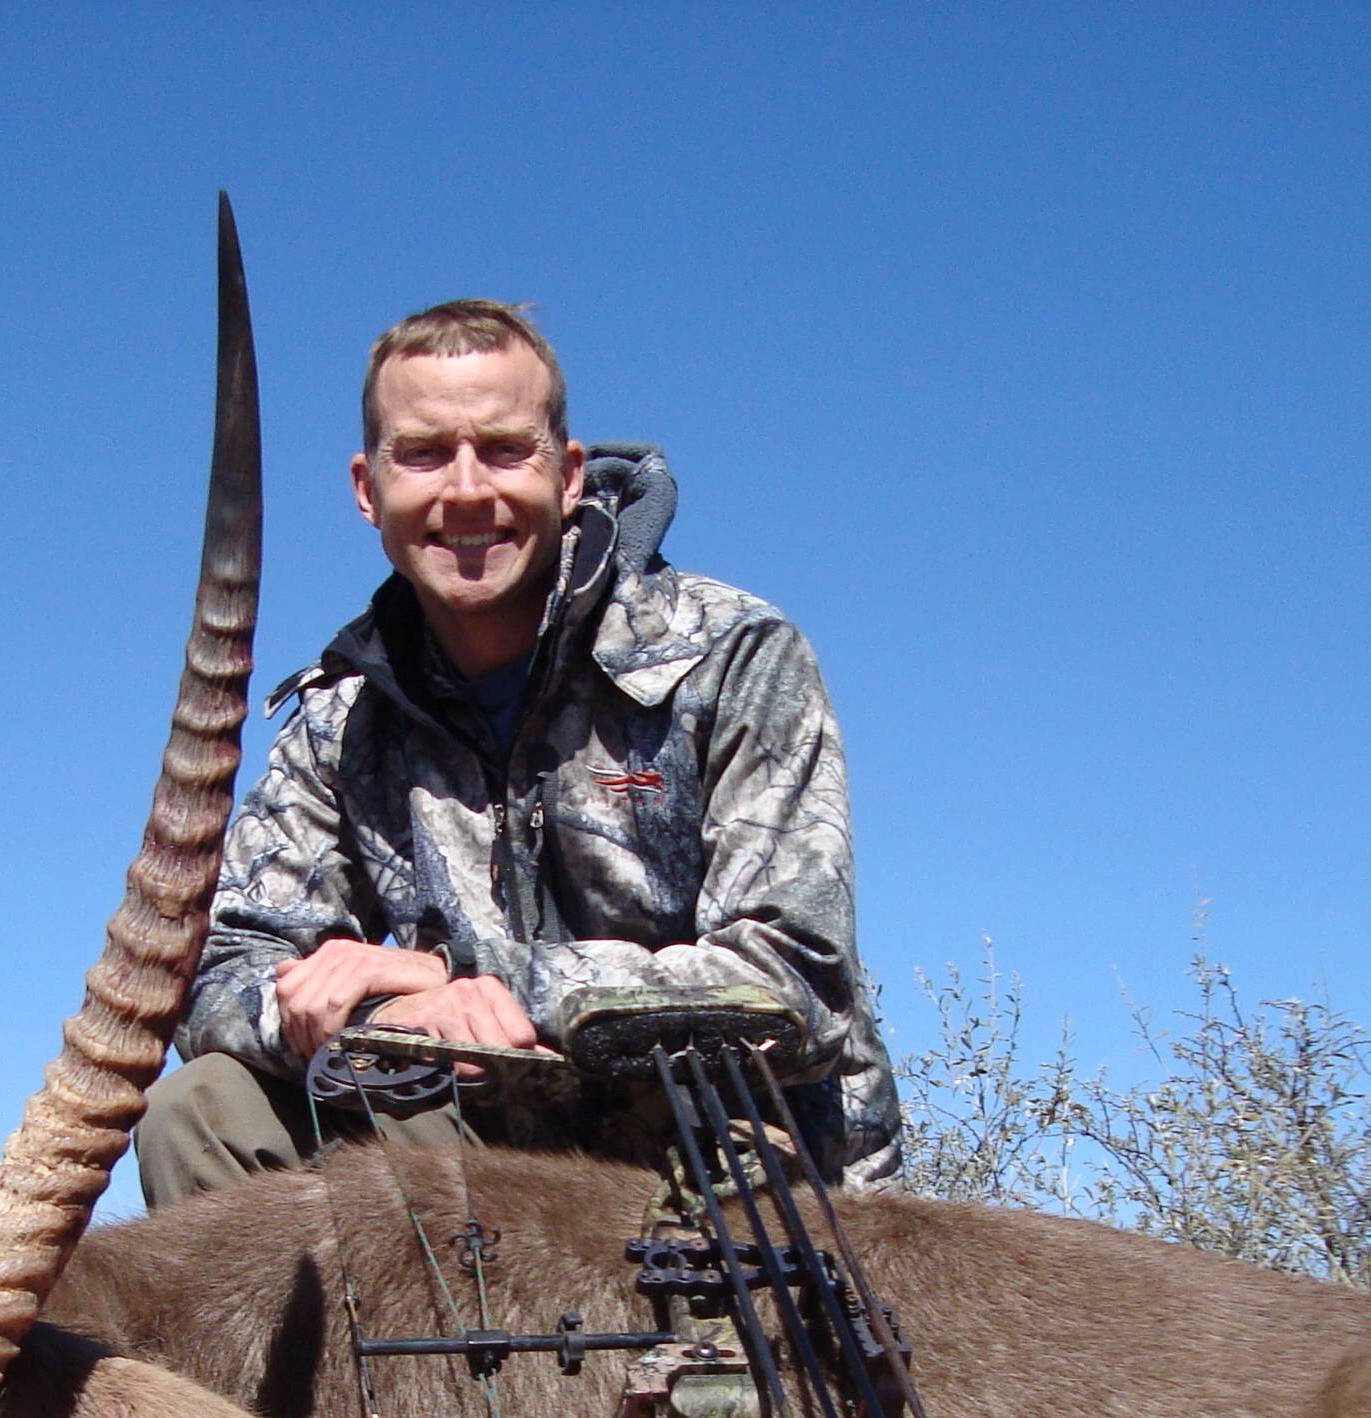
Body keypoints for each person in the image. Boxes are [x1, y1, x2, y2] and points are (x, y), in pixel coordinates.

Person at [138, 299, 900, 1207]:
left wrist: (471, 980)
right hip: (476, 1146)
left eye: (504, 448)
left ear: (569, 473)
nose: (465, 491)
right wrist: (394, 1011)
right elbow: (222, 976)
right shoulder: (339, 722)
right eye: (423, 453)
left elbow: (795, 988)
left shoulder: (734, 652)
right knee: (201, 1112)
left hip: (733, 1162)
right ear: (366, 487)